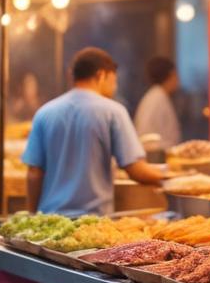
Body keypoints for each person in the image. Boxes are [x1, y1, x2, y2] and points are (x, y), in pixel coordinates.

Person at [22, 48, 165, 215]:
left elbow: (34, 173)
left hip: (50, 222)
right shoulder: (113, 111)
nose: (115, 86)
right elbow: (135, 169)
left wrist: (33, 214)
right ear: (102, 75)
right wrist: (174, 178)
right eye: (114, 80)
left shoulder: (44, 113)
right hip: (92, 223)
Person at [134, 56, 183, 149]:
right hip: (156, 156)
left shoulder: (159, 96)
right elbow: (145, 135)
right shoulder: (155, 99)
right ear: (171, 74)